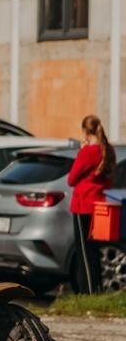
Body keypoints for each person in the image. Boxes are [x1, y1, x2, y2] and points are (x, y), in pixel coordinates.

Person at [68, 113, 115, 293]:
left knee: (84, 252)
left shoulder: (88, 152)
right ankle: (97, 288)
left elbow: (72, 179)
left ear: (85, 131)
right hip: (100, 204)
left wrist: (81, 150)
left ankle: (88, 291)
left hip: (83, 205)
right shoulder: (107, 149)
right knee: (94, 251)